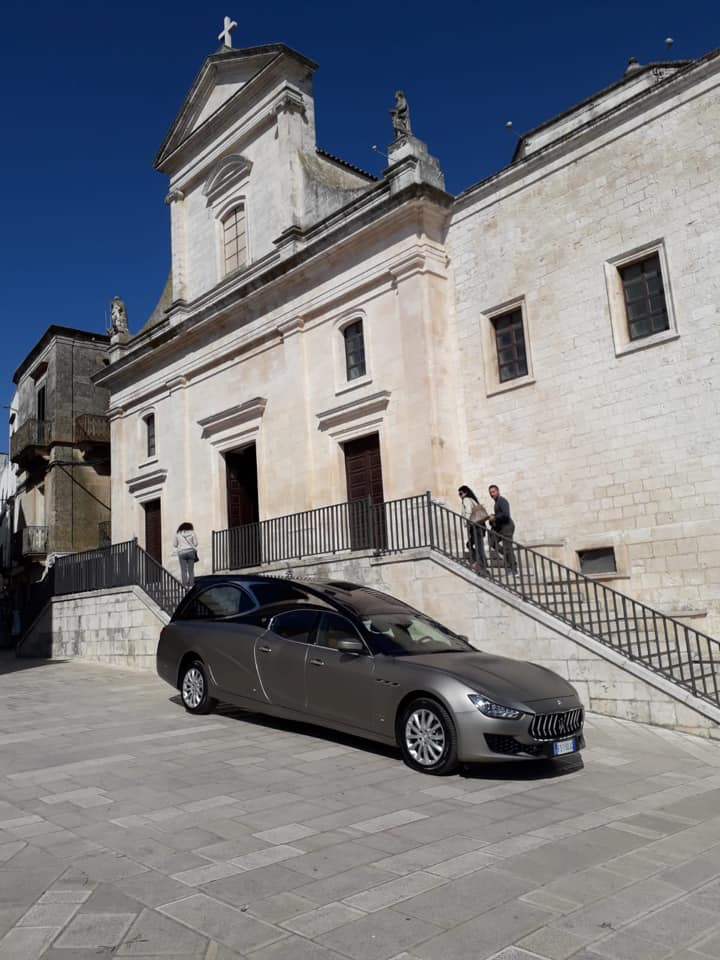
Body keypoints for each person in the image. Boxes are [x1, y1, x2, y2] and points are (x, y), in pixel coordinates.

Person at [458, 485, 489, 572]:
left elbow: (468, 511)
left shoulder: (466, 500)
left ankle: (481, 564)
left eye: (461, 493)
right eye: (459, 494)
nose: (460, 496)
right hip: (480, 526)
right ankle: (480, 562)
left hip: (475, 526)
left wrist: (468, 521)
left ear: (465, 493)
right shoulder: (473, 500)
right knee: (474, 545)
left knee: (477, 546)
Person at [488, 484, 517, 573]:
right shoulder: (496, 503)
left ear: (498, 491)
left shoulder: (502, 500)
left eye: (493, 492)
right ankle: (507, 555)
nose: (492, 494)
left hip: (507, 527)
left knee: (508, 547)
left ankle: (513, 569)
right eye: (490, 493)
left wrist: (495, 517)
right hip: (501, 528)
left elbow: (506, 514)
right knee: (492, 542)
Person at [173, 522, 199, 588]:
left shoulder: (178, 534)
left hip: (182, 552)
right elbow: (196, 544)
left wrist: (181, 544)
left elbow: (175, 544)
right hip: (190, 552)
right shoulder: (192, 533)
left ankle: (184, 585)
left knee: (183, 570)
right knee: (191, 570)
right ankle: (191, 585)